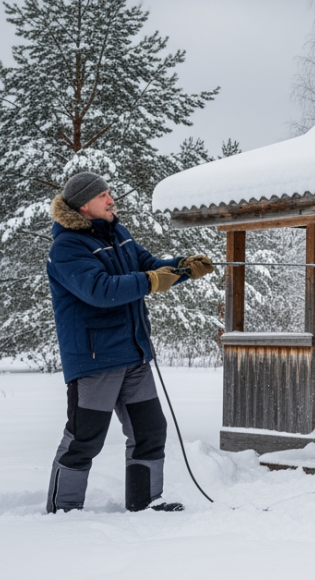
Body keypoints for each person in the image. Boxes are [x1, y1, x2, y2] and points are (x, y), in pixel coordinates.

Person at [44, 172, 215, 513]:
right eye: (104, 195)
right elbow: (101, 290)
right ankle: (62, 511)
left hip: (133, 354)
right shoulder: (66, 248)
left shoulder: (117, 233)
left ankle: (146, 502)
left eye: (109, 193)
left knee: (151, 430)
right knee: (85, 438)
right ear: (83, 205)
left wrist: (182, 268)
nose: (111, 200)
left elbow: (148, 267)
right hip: (95, 360)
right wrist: (152, 280)